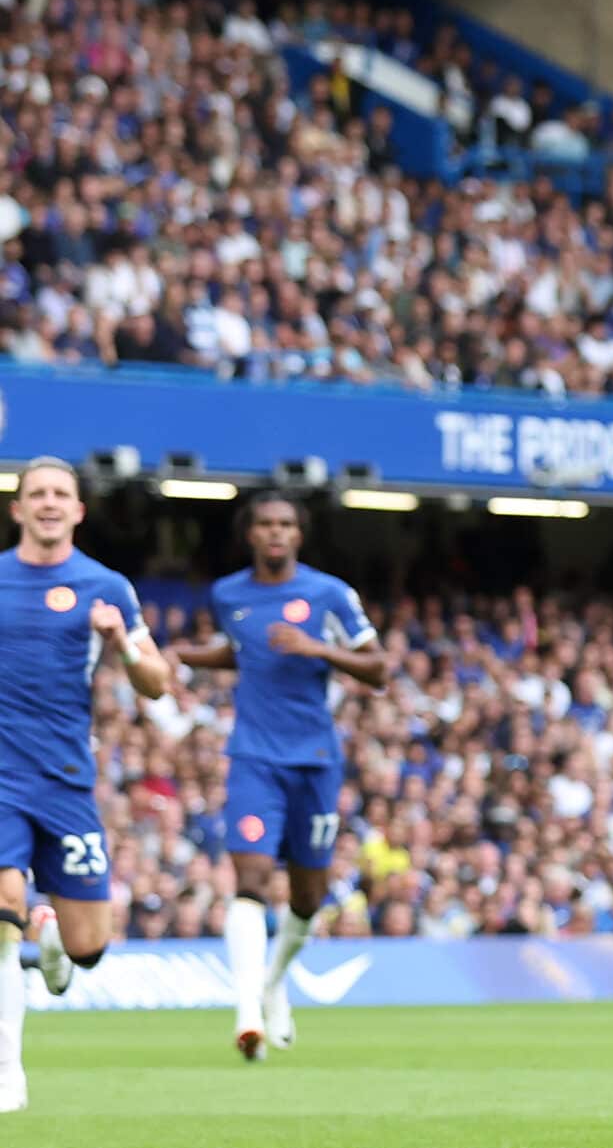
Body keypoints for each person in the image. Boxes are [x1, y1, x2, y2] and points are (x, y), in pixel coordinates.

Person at [166, 493, 388, 1060]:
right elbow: (242, 652)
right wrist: (186, 654)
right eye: (265, 524)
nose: (275, 533)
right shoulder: (229, 593)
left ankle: (272, 984)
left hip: (315, 759)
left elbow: (379, 667)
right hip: (253, 757)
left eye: (285, 524)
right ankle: (247, 1013)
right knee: (250, 878)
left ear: (299, 534)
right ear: (250, 534)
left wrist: (317, 647)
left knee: (308, 897)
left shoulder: (328, 593)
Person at [0, 457, 170, 1111]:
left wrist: (121, 644)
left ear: (78, 510)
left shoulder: (106, 586)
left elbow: (156, 681)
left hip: (66, 780)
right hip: (3, 780)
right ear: (18, 509)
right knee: (1, 907)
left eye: (59, 494)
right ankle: (9, 1071)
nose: (47, 502)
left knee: (87, 946)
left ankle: (55, 946)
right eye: (35, 493)